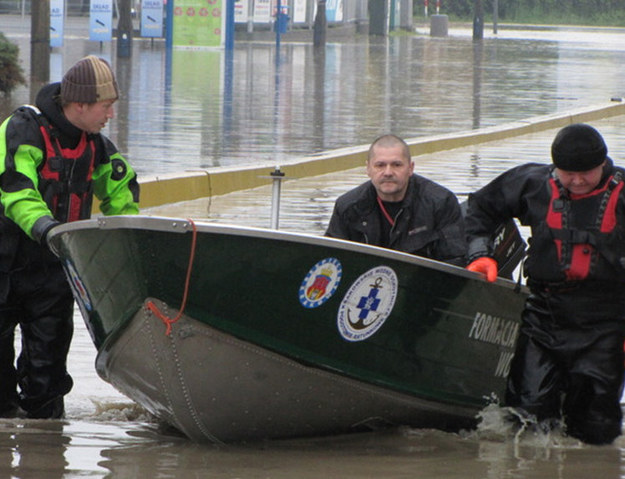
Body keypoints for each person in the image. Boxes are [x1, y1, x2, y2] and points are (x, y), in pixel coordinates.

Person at [465, 123, 625, 445]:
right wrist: (481, 253)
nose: (577, 181)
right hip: (545, 317)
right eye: (568, 173)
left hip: (607, 322)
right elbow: (479, 208)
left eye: (586, 173)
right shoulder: (532, 183)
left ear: (603, 165)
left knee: (596, 429)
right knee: (525, 419)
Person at [0, 56, 140, 419]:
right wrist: (48, 229)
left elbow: (123, 200)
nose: (110, 115)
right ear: (80, 104)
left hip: (53, 276)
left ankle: (45, 453)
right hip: (4, 266)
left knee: (47, 385)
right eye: (106, 107)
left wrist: (135, 250)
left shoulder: (97, 148)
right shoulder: (22, 130)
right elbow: (16, 191)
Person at [325, 134, 466, 265]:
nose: (388, 172)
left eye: (396, 165)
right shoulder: (347, 206)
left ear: (410, 168)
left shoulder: (441, 203)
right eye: (380, 165)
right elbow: (330, 261)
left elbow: (455, 262)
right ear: (368, 169)